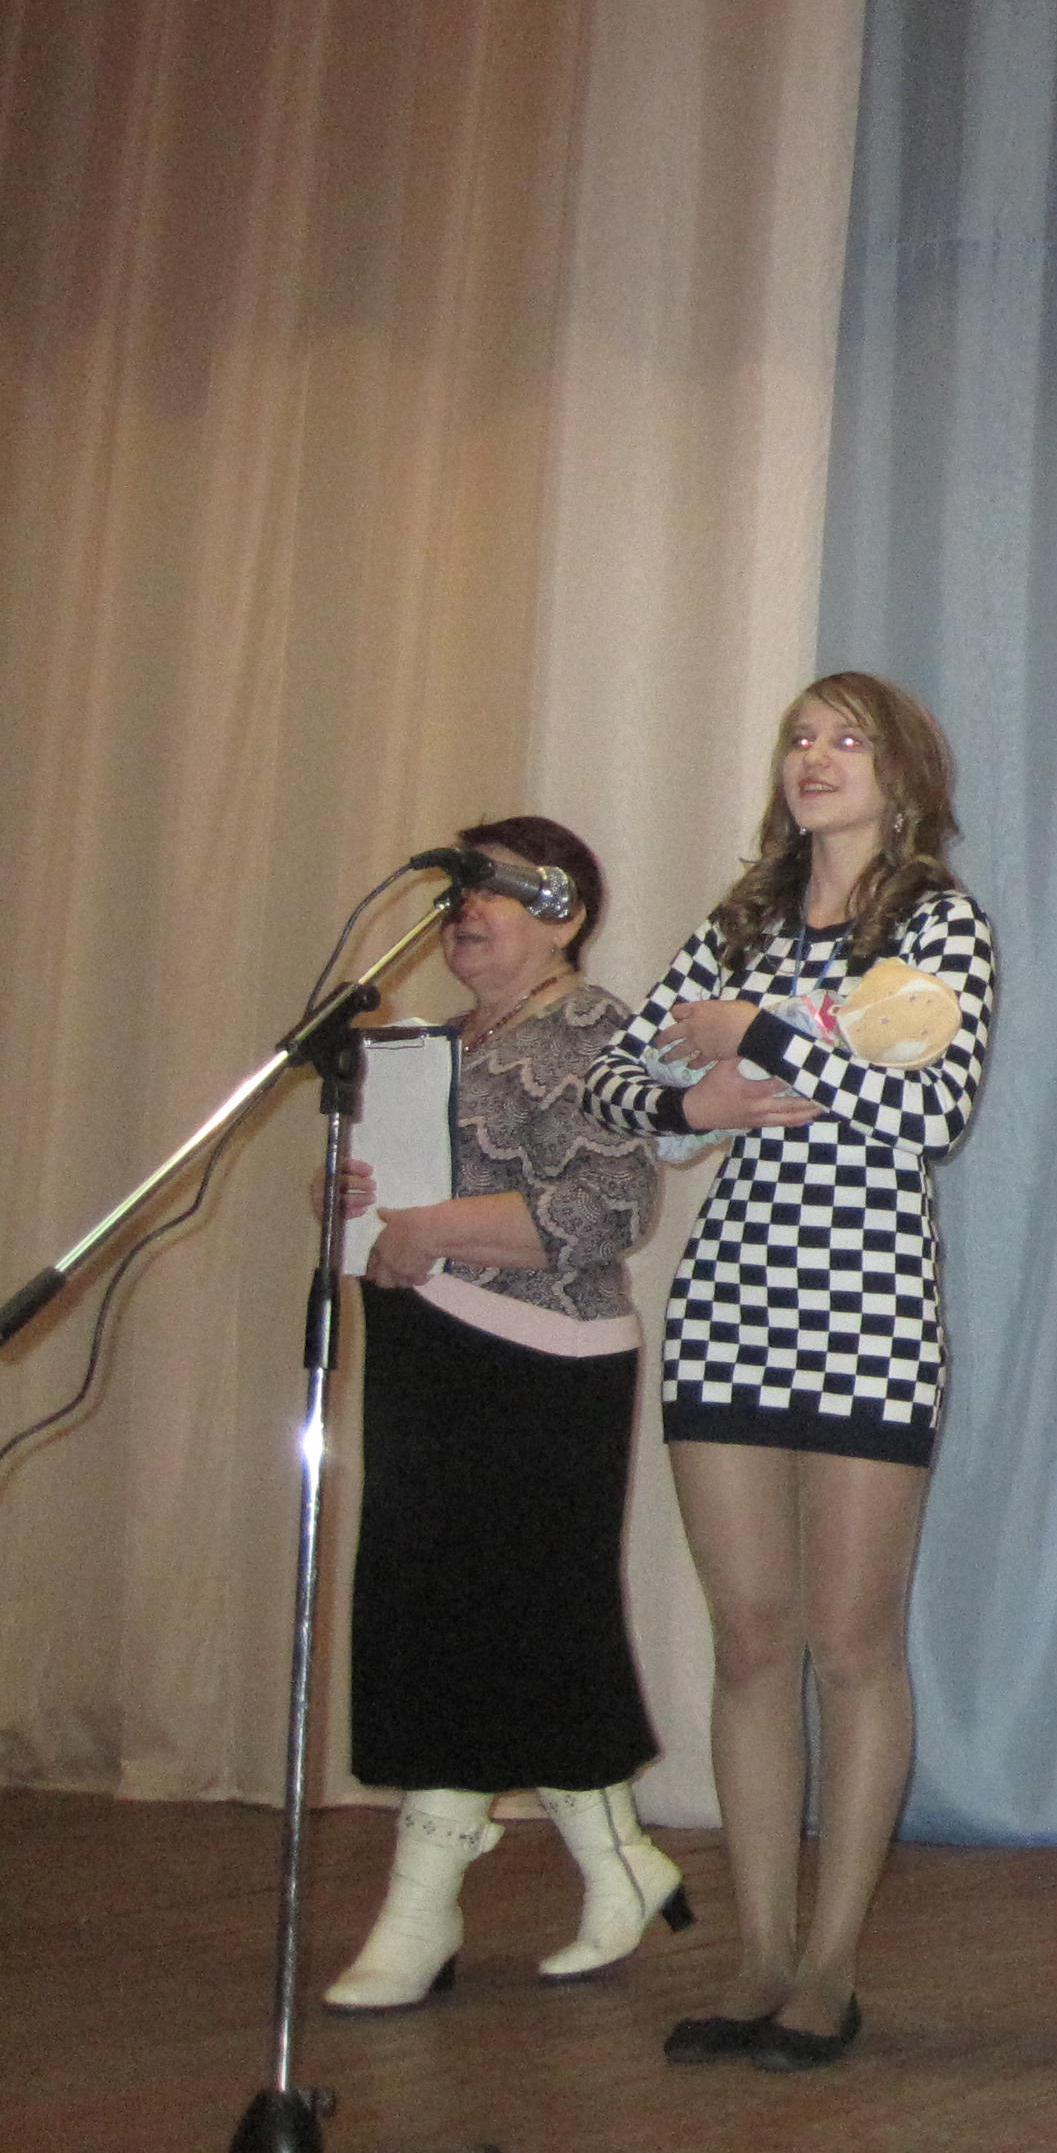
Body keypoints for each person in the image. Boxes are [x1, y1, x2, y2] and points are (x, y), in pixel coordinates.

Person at [581, 673, 995, 2074]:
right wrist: (696, 1097)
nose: (816, 759)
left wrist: (756, 1033)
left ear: (903, 773)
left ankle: (830, 1968)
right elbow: (620, 1081)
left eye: (846, 739)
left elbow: (930, 1109)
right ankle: (760, 1955)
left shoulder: (937, 925)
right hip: (730, 1305)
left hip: (869, 1311)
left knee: (851, 1642)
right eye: (800, 739)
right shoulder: (742, 922)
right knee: (751, 1638)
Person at [319, 816, 681, 2011]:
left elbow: (609, 1207)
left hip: (543, 1364)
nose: (466, 911)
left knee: (493, 1623)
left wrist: (435, 1228)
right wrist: (360, 1198)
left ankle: (421, 1912)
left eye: (494, 892)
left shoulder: (598, 1031)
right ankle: (620, 1863)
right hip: (425, 1347)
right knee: (466, 1622)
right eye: (459, 893)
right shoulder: (427, 1044)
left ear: (564, 913)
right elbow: (414, 1201)